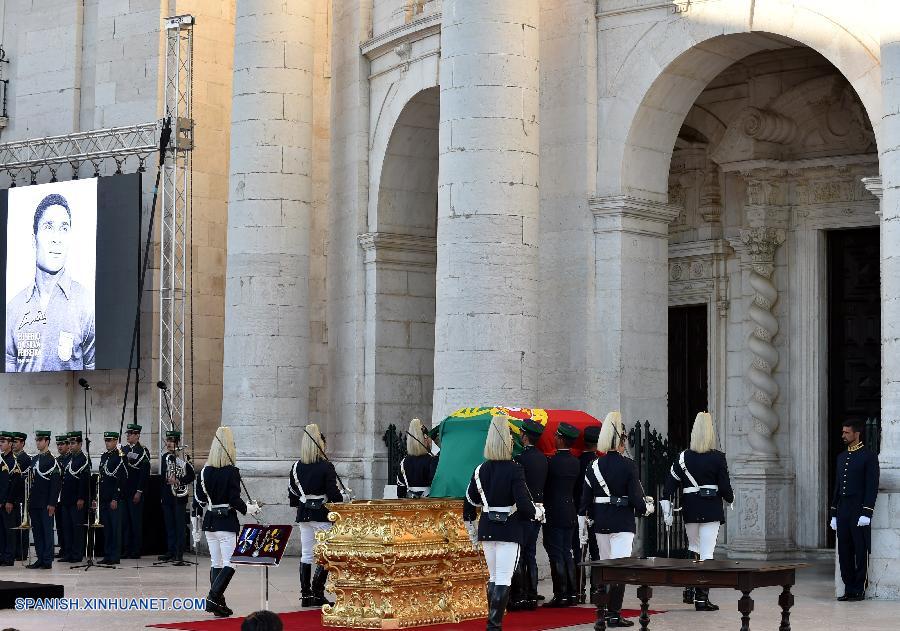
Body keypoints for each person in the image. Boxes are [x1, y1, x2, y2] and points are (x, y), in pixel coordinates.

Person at [463, 415, 540, 631]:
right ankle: (494, 626)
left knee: (494, 577)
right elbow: (524, 505)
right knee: (503, 578)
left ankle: (493, 624)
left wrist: (471, 527)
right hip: (509, 529)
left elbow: (470, 501)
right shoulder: (515, 469)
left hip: (488, 528)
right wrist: (537, 513)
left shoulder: (480, 470)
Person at [579, 411, 654, 628]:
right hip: (622, 522)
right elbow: (636, 499)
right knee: (618, 568)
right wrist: (646, 508)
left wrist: (583, 524)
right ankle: (613, 613)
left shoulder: (592, 466)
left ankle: (602, 614)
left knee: (604, 567)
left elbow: (584, 501)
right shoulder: (628, 465)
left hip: (601, 522)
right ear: (620, 440)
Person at [5, 192, 95, 372]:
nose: (57, 238)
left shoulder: (87, 304)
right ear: (34, 239)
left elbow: (95, 375)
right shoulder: (13, 309)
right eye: (48, 227)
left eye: (64, 228)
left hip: (73, 399)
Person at [661, 411, 733, 611]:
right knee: (707, 554)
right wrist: (730, 498)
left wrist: (665, 499)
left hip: (691, 508)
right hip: (710, 508)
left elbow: (670, 483)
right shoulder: (718, 458)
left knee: (694, 548)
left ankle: (689, 588)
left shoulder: (683, 457)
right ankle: (702, 598)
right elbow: (725, 487)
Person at [195, 426, 261, 617]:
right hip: (225, 523)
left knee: (216, 563)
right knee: (231, 563)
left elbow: (200, 499)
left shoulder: (204, 472)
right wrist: (248, 509)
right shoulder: (232, 471)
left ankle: (218, 603)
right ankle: (212, 597)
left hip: (210, 521)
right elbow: (234, 499)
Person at [288, 424, 345, 607]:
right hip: (322, 515)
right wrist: (343, 498)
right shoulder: (326, 466)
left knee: (306, 555)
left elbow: (292, 495)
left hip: (304, 514)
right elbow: (333, 493)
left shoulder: (296, 467)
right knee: (325, 554)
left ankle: (306, 595)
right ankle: (317, 591)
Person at [829, 419, 879, 601]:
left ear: (857, 434)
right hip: (843, 511)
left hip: (859, 510)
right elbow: (837, 487)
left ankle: (859, 588)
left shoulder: (869, 456)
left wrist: (867, 512)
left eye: (847, 433)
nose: (843, 436)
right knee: (844, 551)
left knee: (860, 549)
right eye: (843, 432)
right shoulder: (841, 457)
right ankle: (848, 588)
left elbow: (871, 486)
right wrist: (834, 512)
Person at [508, 419, 547, 611]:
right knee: (530, 553)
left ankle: (521, 593)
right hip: (539, 511)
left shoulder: (520, 459)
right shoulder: (543, 458)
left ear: (524, 436)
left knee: (520, 554)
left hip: (525, 510)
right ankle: (532, 592)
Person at [542, 422, 581, 607]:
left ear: (561, 439)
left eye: (557, 436)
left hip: (554, 512)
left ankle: (560, 594)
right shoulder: (575, 463)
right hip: (570, 511)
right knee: (567, 552)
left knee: (556, 553)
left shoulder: (551, 462)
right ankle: (572, 594)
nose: (554, 439)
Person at [573, 424, 601, 603]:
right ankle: (597, 591)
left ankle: (579, 591)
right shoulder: (599, 464)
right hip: (596, 512)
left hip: (578, 511)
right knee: (596, 554)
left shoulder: (576, 462)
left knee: (579, 552)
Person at [159, 430, 195, 563]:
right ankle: (171, 551)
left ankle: (179, 553)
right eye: (168, 441)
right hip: (168, 496)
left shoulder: (183, 458)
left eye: (172, 441)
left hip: (179, 497)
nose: (169, 443)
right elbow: (163, 476)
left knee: (179, 525)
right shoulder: (165, 457)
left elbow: (191, 476)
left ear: (177, 442)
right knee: (169, 525)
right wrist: (168, 480)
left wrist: (178, 480)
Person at [26, 430, 60, 569]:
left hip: (46, 503)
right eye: (37, 440)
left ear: (47, 441)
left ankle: (47, 560)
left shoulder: (52, 460)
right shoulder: (34, 459)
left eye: (40, 440)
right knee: (37, 532)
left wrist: (52, 503)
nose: (38, 442)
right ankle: (40, 558)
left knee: (47, 531)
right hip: (34, 502)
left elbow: (56, 483)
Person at [121, 423, 151, 559]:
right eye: (127, 433)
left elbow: (144, 473)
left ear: (138, 435)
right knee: (126, 522)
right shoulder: (124, 449)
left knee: (135, 522)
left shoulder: (142, 451)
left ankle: (136, 549)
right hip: (125, 491)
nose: (128, 436)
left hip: (135, 491)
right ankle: (127, 549)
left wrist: (139, 491)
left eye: (131, 434)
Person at [98, 431, 126, 565]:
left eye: (110, 440)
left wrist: (115, 497)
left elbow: (121, 479)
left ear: (116, 441)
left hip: (114, 498)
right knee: (107, 529)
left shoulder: (120, 456)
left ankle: (115, 556)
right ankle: (107, 554)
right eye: (106, 440)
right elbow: (102, 478)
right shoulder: (104, 457)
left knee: (115, 529)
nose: (107, 443)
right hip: (104, 497)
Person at [60, 431, 89, 563]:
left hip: (76, 500)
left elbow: (84, 480)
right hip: (66, 499)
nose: (70, 446)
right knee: (67, 527)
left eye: (73, 443)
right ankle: (68, 553)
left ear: (80, 444)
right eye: (70, 443)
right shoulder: (68, 458)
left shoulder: (83, 459)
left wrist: (81, 498)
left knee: (76, 527)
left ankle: (77, 554)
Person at [5, 432, 32, 562]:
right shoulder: (10, 458)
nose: (14, 444)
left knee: (22, 526)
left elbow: (21, 481)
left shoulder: (25, 459)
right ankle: (13, 551)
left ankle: (22, 552)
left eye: (16, 442)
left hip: (21, 498)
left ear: (22, 443)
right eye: (13, 442)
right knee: (12, 527)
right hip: (11, 498)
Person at [396, 418, 438, 498]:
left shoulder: (404, 462)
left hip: (411, 507)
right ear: (425, 439)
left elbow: (400, 492)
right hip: (430, 506)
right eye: (429, 439)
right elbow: (438, 486)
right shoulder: (433, 460)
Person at [53, 435, 70, 561]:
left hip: (67, 497)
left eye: (62, 444)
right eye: (58, 444)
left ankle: (69, 550)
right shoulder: (57, 460)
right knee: (59, 525)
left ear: (68, 445)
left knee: (67, 525)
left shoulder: (71, 459)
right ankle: (63, 548)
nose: (59, 446)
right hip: (57, 498)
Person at [0, 432, 14, 566]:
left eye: (3, 441)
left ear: (10, 444)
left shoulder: (12, 461)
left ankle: (9, 557)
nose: (1, 444)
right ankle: (2, 555)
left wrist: (7, 500)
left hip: (7, 502)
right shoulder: (1, 459)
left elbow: (12, 484)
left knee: (8, 531)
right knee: (1, 531)